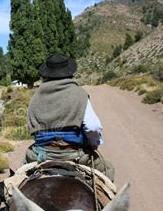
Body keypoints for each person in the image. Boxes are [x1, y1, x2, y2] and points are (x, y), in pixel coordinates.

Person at [24, 53, 115, 181]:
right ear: (69, 72)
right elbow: (93, 126)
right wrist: (94, 143)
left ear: (47, 73)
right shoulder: (79, 94)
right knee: (108, 171)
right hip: (75, 154)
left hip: (41, 155)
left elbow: (31, 126)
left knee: (19, 179)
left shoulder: (35, 97)